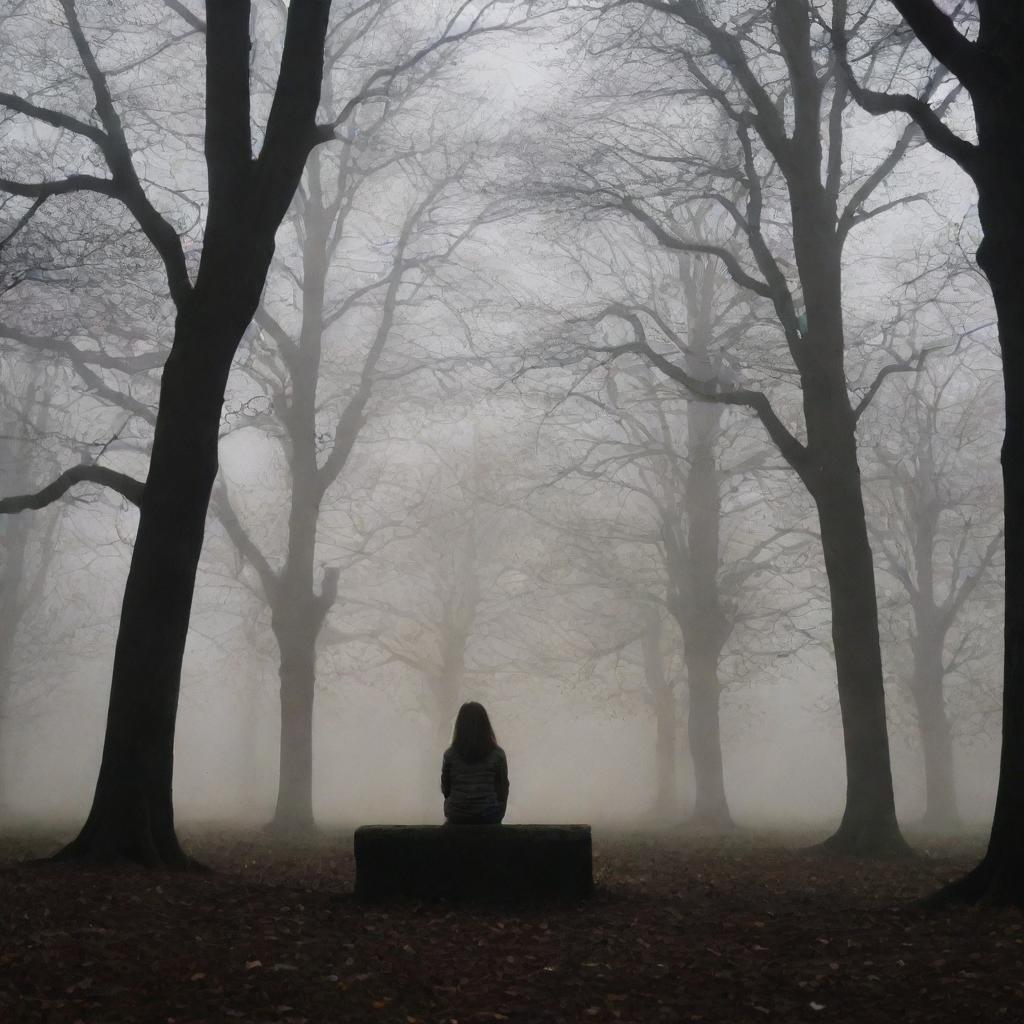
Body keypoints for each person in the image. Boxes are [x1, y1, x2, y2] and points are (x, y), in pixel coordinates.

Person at [441, 701, 509, 824]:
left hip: (457, 817)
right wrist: (497, 813)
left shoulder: (450, 755)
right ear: (486, 725)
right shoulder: (498, 755)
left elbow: (446, 789)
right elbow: (502, 790)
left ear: (460, 726)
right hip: (489, 816)